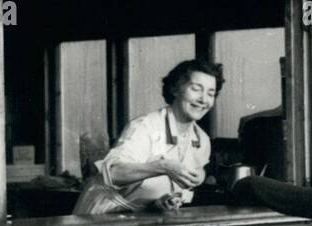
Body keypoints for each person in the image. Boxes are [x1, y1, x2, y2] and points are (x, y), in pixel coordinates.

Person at [73, 59, 223, 215]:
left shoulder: (201, 140)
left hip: (140, 219)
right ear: (175, 89)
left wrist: (161, 202)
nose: (203, 100)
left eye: (210, 93)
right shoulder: (145, 127)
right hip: (98, 217)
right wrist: (163, 167)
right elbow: (113, 174)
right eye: (196, 89)